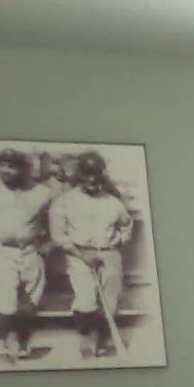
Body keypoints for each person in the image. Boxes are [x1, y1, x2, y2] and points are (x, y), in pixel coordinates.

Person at [46, 152, 141, 360]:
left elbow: (126, 225)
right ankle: (86, 337)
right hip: (79, 255)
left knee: (110, 302)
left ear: (101, 175)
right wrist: (83, 254)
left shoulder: (112, 201)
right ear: (79, 175)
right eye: (87, 174)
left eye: (95, 174)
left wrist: (117, 244)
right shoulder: (64, 202)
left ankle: (100, 338)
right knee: (86, 300)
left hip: (109, 254)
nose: (91, 179)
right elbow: (58, 237)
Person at [0, 150, 54, 363]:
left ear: (25, 169)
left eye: (13, 166)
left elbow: (55, 218)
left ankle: (21, 340)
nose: (7, 170)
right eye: (3, 165)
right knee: (4, 301)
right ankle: (4, 345)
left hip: (29, 251)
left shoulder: (41, 191)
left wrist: (49, 242)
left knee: (30, 303)